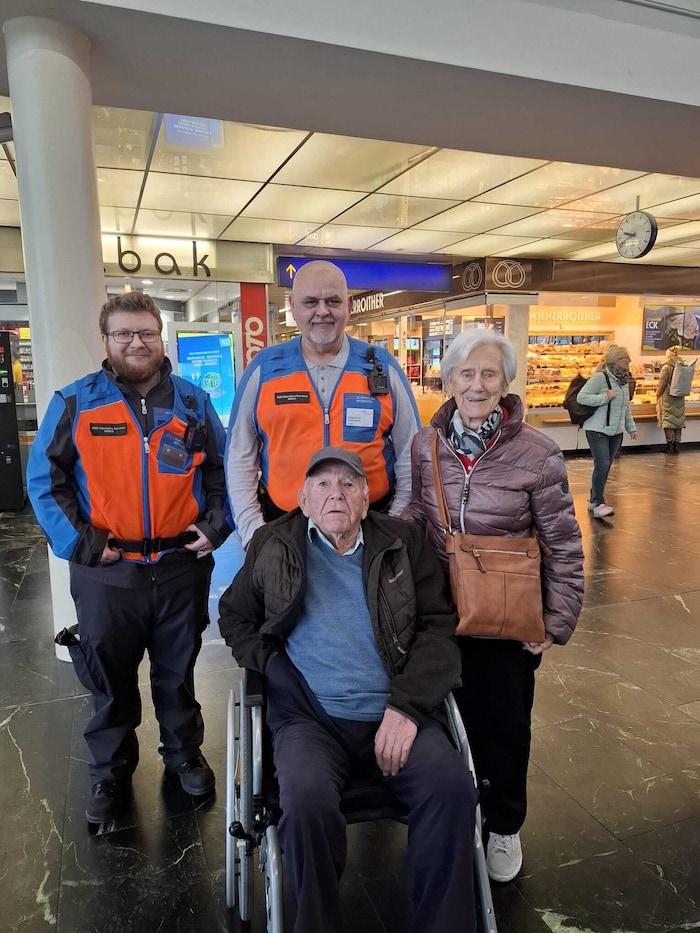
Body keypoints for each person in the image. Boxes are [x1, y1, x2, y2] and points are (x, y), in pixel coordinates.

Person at [218, 446, 476, 933]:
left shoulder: (402, 542)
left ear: (366, 498)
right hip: (309, 720)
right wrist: (269, 664)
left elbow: (439, 629)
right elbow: (234, 614)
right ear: (302, 498)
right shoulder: (274, 543)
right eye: (321, 484)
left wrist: (406, 707)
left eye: (348, 484)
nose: (335, 493)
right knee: (306, 800)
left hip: (397, 713)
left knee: (451, 789)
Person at [27, 292, 232, 824]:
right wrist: (84, 545)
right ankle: (110, 771)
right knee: (109, 680)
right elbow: (44, 484)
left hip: (179, 567)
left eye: (146, 333)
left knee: (177, 672)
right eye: (124, 334)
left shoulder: (193, 402)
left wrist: (216, 526)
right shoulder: (74, 402)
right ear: (107, 341)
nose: (136, 343)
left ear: (161, 337)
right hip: (106, 573)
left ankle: (184, 753)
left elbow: (223, 472)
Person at [401, 330, 583, 884]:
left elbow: (563, 540)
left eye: (488, 374)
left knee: (504, 724)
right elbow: (415, 515)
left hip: (507, 614)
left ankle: (504, 825)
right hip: (440, 613)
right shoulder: (425, 446)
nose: (476, 384)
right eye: (466, 373)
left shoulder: (538, 453)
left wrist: (557, 618)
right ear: (448, 379)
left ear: (505, 383)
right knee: (443, 723)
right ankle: (458, 809)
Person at [225, 260, 421, 548]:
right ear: (292, 306)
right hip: (285, 529)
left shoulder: (382, 367)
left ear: (349, 305)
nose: (322, 311)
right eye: (310, 302)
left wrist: (396, 521)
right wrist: (254, 532)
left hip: (372, 527)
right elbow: (239, 457)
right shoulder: (264, 370)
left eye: (332, 301)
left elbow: (411, 452)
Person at [577, 344, 638, 518]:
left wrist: (631, 428)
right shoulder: (600, 377)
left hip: (615, 431)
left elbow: (625, 408)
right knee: (602, 465)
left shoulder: (624, 380)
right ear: (614, 360)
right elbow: (582, 397)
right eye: (624, 358)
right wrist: (605, 397)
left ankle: (593, 500)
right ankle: (598, 502)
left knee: (605, 466)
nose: (629, 361)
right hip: (597, 430)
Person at [656, 346, 686, 455]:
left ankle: (669, 446)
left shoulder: (667, 367)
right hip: (680, 397)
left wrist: (657, 395)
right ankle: (677, 446)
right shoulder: (683, 365)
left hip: (668, 397)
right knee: (678, 422)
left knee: (668, 422)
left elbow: (662, 384)